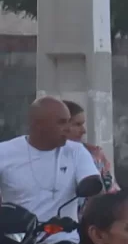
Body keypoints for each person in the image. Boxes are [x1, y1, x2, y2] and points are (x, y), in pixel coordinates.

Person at [0, 96, 92, 225]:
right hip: (17, 240)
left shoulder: (77, 151)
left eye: (68, 122)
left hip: (65, 239)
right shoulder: (4, 152)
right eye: (61, 122)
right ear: (38, 124)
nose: (68, 128)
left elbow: (97, 195)